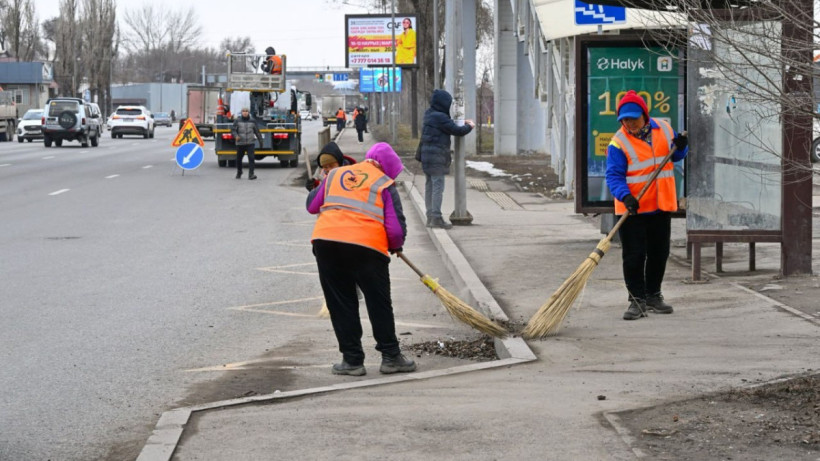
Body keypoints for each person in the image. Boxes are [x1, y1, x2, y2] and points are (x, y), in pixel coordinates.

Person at [306, 142, 415, 376]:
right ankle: (391, 357)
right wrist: (396, 245)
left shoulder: (335, 174)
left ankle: (352, 360)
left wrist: (319, 185)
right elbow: (395, 229)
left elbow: (312, 206)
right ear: (387, 167)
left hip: (327, 243)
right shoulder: (383, 182)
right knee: (378, 302)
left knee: (341, 303)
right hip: (366, 248)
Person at [605, 90, 688, 321]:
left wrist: (682, 146)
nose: (630, 124)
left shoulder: (664, 129)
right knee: (634, 256)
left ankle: (653, 295)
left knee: (659, 253)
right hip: (633, 208)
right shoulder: (618, 143)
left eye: (634, 118)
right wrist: (625, 196)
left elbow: (676, 156)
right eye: (625, 120)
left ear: (644, 115)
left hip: (661, 205)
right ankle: (636, 300)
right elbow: (613, 176)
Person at [419, 89, 474, 229]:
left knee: (429, 186)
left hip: (427, 157)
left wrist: (461, 122)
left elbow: (448, 125)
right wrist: (469, 126)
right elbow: (457, 131)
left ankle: (430, 217)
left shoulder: (429, 114)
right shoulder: (440, 117)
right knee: (438, 187)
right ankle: (436, 218)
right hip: (437, 157)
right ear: (443, 103)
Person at [231, 107, 264, 180]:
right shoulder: (237, 121)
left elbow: (257, 132)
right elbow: (233, 130)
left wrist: (261, 141)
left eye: (246, 111)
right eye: (243, 111)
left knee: (251, 158)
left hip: (250, 143)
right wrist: (236, 136)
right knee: (238, 159)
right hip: (240, 143)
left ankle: (251, 174)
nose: (245, 112)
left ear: (248, 112)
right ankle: (239, 172)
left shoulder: (253, 121)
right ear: (241, 112)